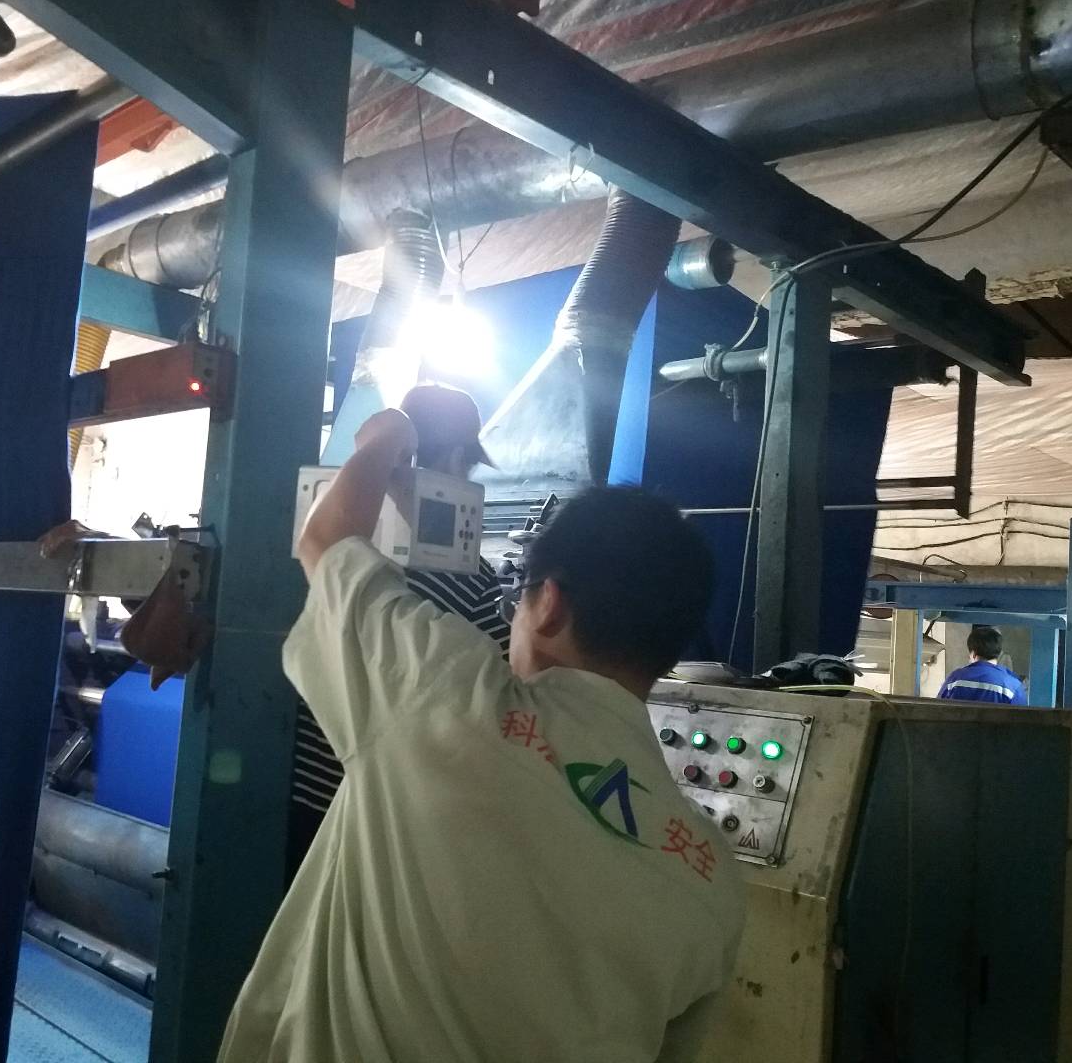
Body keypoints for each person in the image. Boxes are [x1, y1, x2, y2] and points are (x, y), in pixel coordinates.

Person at [221, 408, 745, 1062]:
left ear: (548, 604)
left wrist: (386, 438)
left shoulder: (444, 693)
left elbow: (325, 540)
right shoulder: (712, 882)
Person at [287, 383, 510, 878]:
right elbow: (495, 703)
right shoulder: (472, 576)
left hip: (276, 781)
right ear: (458, 458)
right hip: (361, 815)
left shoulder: (309, 526)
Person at [938, 624, 1029, 706]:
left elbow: (938, 708)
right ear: (998, 653)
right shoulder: (1012, 684)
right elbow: (1021, 716)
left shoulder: (954, 679)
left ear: (973, 654)